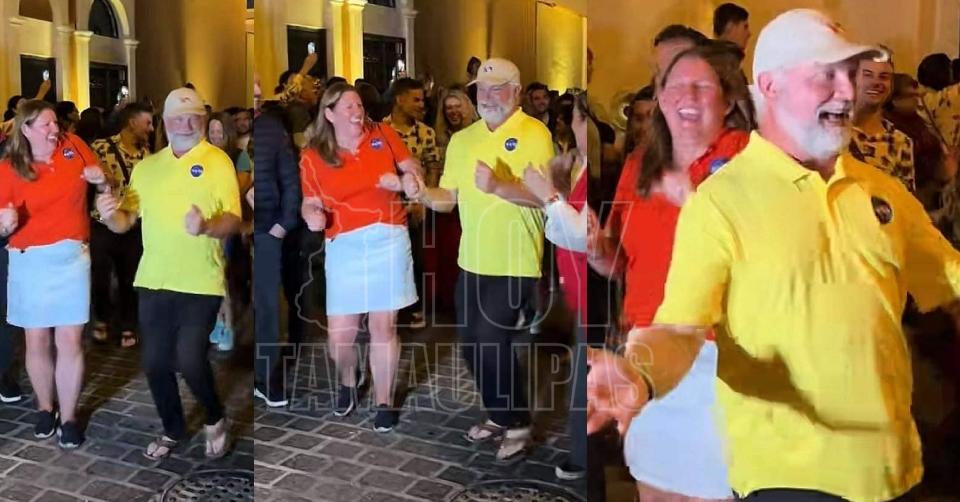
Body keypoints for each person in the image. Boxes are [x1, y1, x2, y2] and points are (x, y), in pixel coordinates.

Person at [588, 9, 960, 501]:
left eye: (849, 74)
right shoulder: (723, 200)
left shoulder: (882, 191)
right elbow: (680, 329)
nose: (846, 91)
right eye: (825, 74)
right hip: (789, 474)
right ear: (769, 86)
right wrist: (639, 373)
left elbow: (949, 281)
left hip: (892, 469)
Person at [590, 42, 752, 502]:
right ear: (659, 97)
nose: (687, 96)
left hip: (718, 353)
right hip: (645, 351)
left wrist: (697, 202)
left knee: (711, 489)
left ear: (728, 100)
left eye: (703, 86)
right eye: (675, 85)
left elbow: (771, 251)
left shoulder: (750, 159)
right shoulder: (639, 165)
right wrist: (597, 249)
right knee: (653, 484)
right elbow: (621, 267)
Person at [413, 58, 554, 461]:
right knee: (471, 346)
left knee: (493, 343)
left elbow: (546, 199)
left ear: (517, 91)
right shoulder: (463, 140)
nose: (488, 97)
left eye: (498, 88)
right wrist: (421, 192)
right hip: (471, 260)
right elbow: (448, 199)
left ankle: (518, 422)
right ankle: (498, 413)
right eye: (482, 89)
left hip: (515, 260)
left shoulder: (535, 133)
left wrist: (499, 186)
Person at [96, 87, 240, 460]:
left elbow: (233, 219)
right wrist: (109, 214)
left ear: (204, 120)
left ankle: (214, 416)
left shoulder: (218, 161)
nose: (186, 124)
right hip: (154, 279)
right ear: (165, 123)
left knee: (190, 359)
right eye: (178, 118)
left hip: (201, 280)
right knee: (154, 362)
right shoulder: (147, 167)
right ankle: (173, 428)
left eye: (194, 118)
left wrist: (206, 226)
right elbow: (125, 221)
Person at [299, 82, 421, 432]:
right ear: (329, 114)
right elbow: (310, 200)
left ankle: (384, 400)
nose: (357, 111)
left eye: (359, 105)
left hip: (388, 237)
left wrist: (408, 182)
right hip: (344, 244)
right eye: (348, 107)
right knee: (340, 335)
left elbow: (412, 170)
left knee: (384, 326)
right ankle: (348, 381)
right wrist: (312, 215)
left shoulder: (383, 134)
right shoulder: (313, 155)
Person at [0, 99, 109, 449]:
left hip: (72, 258)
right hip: (29, 260)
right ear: (26, 129)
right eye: (45, 124)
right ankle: (46, 408)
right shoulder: (9, 166)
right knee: (36, 340)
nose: (54, 129)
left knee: (70, 340)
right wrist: (5, 224)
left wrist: (102, 183)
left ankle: (70, 417)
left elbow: (105, 186)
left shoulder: (74, 146)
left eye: (55, 123)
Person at [523, 92, 598, 481]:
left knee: (585, 382)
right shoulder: (582, 166)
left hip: (590, 290)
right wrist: (557, 189)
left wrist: (549, 195)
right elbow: (559, 230)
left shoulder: (596, 169)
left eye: (579, 120)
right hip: (577, 289)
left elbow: (583, 234)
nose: (573, 127)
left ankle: (585, 458)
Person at [89, 102, 154, 348]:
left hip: (134, 223)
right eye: (147, 123)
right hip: (102, 221)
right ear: (132, 123)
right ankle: (102, 318)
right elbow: (86, 179)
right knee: (100, 275)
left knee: (131, 276)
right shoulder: (101, 147)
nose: (151, 128)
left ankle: (128, 324)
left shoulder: (147, 155)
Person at [384, 78, 442, 329]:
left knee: (416, 257)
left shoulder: (426, 133)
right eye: (416, 99)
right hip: (386, 207)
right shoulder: (380, 131)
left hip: (417, 205)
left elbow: (433, 167)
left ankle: (415, 308)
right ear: (399, 100)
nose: (421, 104)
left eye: (422, 100)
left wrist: (423, 200)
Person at [252, 102, 300, 408]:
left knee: (268, 305)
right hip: (228, 226)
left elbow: (291, 180)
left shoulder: (272, 128)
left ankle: (267, 377)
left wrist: (284, 223)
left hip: (267, 228)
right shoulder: (221, 129)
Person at [206, 111, 254, 352]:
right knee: (211, 275)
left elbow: (236, 189)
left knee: (223, 276)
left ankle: (228, 325)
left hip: (228, 224)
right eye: (212, 131)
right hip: (207, 223)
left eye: (220, 131)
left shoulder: (239, 156)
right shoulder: (202, 157)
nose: (216, 136)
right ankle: (218, 320)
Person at [850, 48, 915, 192]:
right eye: (868, 75)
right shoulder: (833, 131)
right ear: (853, 79)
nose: (876, 82)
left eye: (883, 77)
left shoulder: (900, 142)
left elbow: (905, 199)